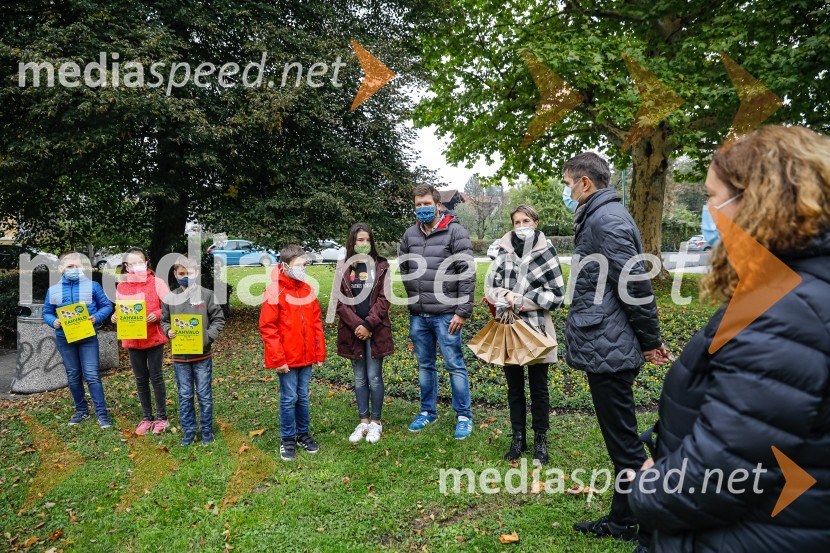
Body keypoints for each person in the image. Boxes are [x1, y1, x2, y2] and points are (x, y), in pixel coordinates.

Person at [629, 126, 830, 553]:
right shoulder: (800, 288)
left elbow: (723, 469)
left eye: (711, 195)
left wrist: (648, 488)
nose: (708, 209)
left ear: (757, 202)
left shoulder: (784, 312)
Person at [561, 152, 669, 545]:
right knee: (621, 441)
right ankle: (623, 521)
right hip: (606, 343)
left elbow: (636, 286)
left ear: (585, 183)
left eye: (567, 181)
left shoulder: (606, 220)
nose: (566, 189)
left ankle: (655, 528)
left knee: (625, 445)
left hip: (611, 346)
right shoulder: (600, 216)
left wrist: (652, 340)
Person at [485, 204, 565, 464]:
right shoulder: (502, 251)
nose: (521, 226)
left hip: (538, 329)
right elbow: (490, 288)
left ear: (536, 222)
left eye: (526, 220)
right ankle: (518, 437)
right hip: (508, 327)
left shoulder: (547, 252)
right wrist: (505, 295)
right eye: (517, 221)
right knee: (514, 388)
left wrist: (521, 300)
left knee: (539, 388)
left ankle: (540, 439)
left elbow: (557, 296)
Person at [398, 184, 476, 440]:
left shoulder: (455, 232)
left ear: (438, 204)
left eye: (426, 204)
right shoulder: (410, 235)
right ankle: (427, 411)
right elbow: (405, 269)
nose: (422, 208)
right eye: (418, 205)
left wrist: (462, 311)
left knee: (455, 365)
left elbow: (466, 273)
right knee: (425, 366)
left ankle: (463, 415)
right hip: (419, 315)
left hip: (447, 315)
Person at [259, 244, 326, 461]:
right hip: (286, 358)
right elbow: (268, 327)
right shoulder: (274, 291)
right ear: (285, 266)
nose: (303, 269)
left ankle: (303, 434)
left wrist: (319, 353)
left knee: (303, 398)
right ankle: (287, 438)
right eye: (299, 265)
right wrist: (278, 359)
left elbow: (315, 322)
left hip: (306, 357)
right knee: (289, 398)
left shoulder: (307, 290)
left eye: (305, 265)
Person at [335, 223, 393, 444]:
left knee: (374, 377)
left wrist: (368, 325)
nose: (364, 244)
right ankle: (364, 421)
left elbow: (385, 299)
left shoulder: (381, 266)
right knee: (359, 378)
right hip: (353, 332)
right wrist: (357, 325)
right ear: (352, 242)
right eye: (360, 240)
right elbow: (340, 302)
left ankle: (377, 422)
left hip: (375, 331)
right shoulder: (343, 267)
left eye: (367, 240)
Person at [43, 251, 114, 428]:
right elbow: (47, 312)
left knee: (92, 375)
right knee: (73, 376)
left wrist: (96, 318)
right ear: (61, 269)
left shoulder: (93, 286)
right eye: (70, 266)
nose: (74, 269)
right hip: (65, 339)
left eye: (77, 266)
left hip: (88, 337)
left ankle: (102, 414)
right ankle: (81, 411)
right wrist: (54, 322)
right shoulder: (54, 290)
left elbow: (107, 306)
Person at [161, 257, 225, 446]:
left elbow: (218, 319)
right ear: (175, 274)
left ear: (197, 274)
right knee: (185, 394)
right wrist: (168, 331)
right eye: (182, 274)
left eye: (190, 273)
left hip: (202, 356)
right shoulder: (169, 298)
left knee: (204, 394)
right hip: (180, 357)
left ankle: (207, 431)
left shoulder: (206, 295)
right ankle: (189, 431)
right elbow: (164, 321)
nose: (186, 277)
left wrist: (207, 337)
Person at [111, 247, 171, 435]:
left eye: (139, 262)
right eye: (132, 263)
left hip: (153, 338)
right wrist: (115, 316)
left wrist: (158, 314)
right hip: (133, 339)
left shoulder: (157, 282)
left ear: (146, 263)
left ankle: (161, 417)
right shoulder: (122, 286)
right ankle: (147, 417)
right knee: (140, 379)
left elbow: (169, 308)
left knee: (156, 376)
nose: (136, 266)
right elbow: (122, 309)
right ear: (126, 266)